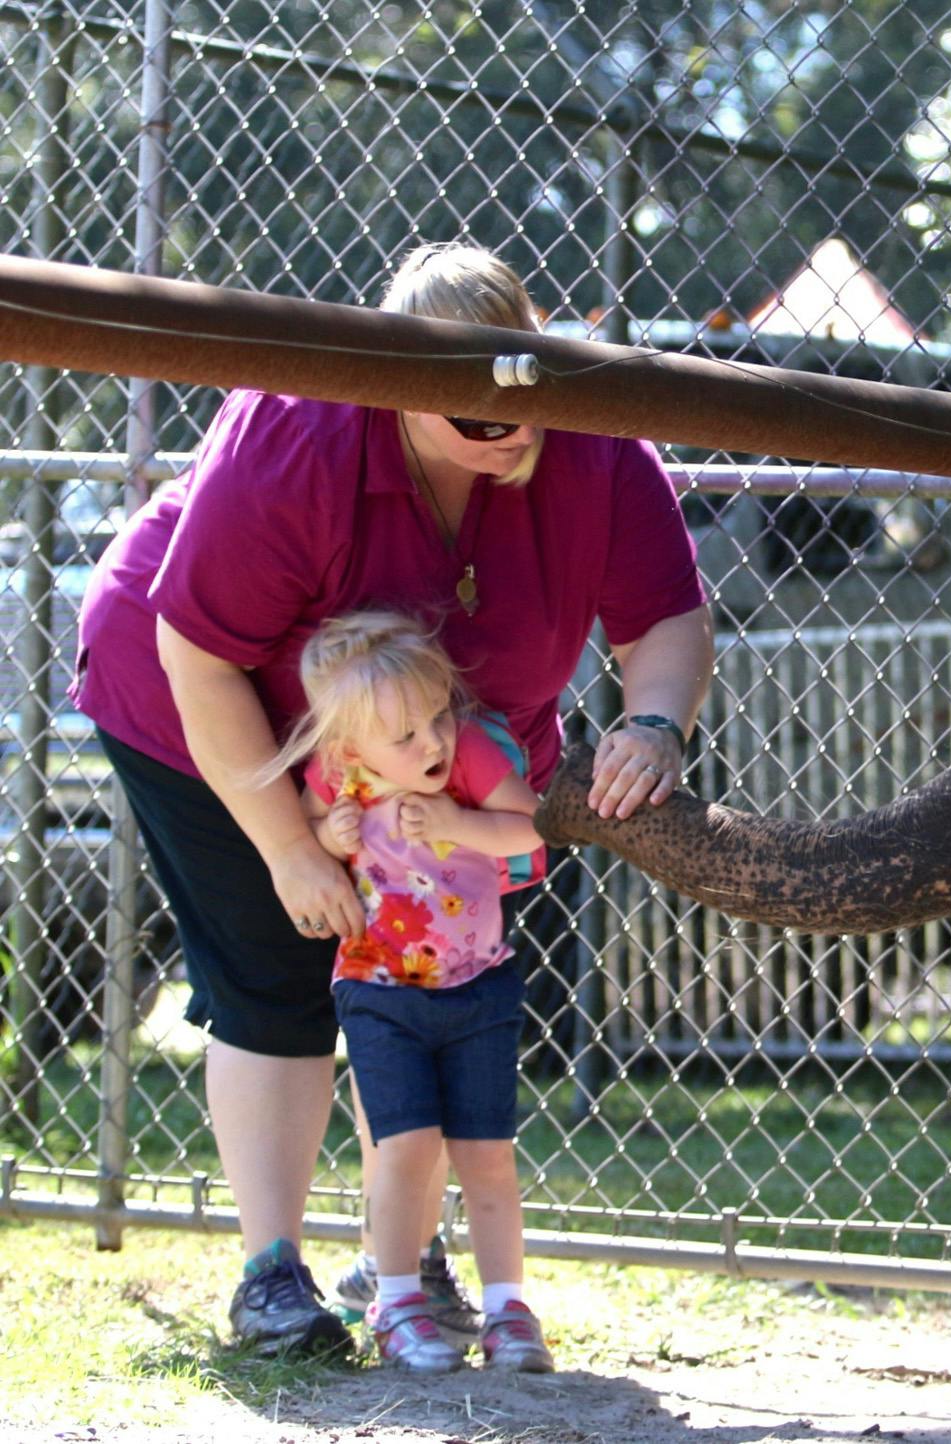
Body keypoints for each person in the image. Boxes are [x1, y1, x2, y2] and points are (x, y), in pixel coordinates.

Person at [72, 241, 714, 1356]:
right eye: (469, 412)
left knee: (419, 968)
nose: (506, 428)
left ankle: (401, 1257)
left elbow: (666, 615)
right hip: (213, 708)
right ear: (401, 397)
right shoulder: (301, 426)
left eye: (519, 401)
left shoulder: (595, 436)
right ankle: (272, 1276)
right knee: (281, 963)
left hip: (439, 744)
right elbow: (199, 655)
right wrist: (289, 847)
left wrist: (653, 719)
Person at [266, 609, 551, 1372]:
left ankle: (508, 1311)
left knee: (488, 1154)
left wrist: (459, 822)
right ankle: (396, 1303)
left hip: (478, 984)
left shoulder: (469, 764)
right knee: (407, 1148)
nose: (431, 743)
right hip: (379, 986)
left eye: (437, 719)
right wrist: (333, 837)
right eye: (406, 737)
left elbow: (530, 831)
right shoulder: (338, 773)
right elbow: (310, 819)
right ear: (352, 747)